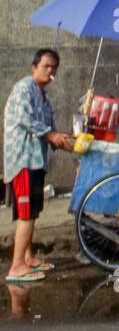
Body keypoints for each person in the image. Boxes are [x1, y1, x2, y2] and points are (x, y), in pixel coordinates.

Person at [3, 49, 74, 285]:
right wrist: (51, 134)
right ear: (34, 67)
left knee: (33, 212)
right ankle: (17, 267)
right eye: (46, 65)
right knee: (26, 215)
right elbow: (25, 119)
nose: (51, 70)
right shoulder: (25, 88)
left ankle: (28, 257)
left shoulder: (42, 95)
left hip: (36, 161)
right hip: (23, 160)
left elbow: (51, 129)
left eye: (54, 67)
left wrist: (67, 142)